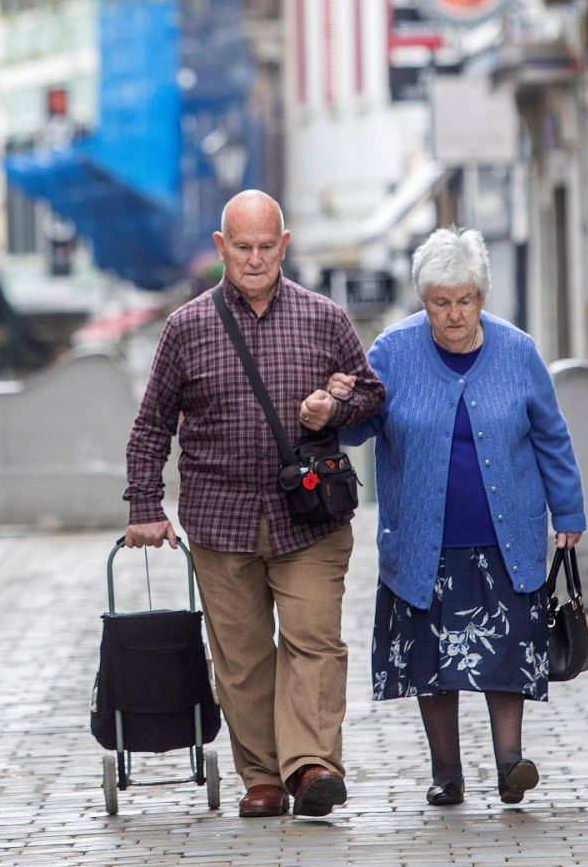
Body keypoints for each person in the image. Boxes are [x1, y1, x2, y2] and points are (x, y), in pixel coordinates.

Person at [123, 190, 385, 819]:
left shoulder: (323, 317)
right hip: (221, 518)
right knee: (241, 657)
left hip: (311, 520)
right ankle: (263, 777)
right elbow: (151, 425)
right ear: (221, 248)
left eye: (268, 246)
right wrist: (143, 504)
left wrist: (336, 407)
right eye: (243, 246)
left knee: (314, 641)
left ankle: (311, 767)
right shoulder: (186, 327)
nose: (256, 257)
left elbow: (373, 395)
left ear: (285, 245)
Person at [336, 227, 586, 807]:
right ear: (424, 301)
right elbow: (356, 431)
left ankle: (510, 763)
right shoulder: (392, 353)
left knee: (504, 657)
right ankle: (446, 772)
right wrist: (341, 403)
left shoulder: (518, 351)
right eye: (440, 302)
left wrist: (568, 509)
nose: (453, 315)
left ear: (482, 297)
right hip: (424, 540)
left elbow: (552, 436)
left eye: (465, 300)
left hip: (506, 537)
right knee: (432, 662)